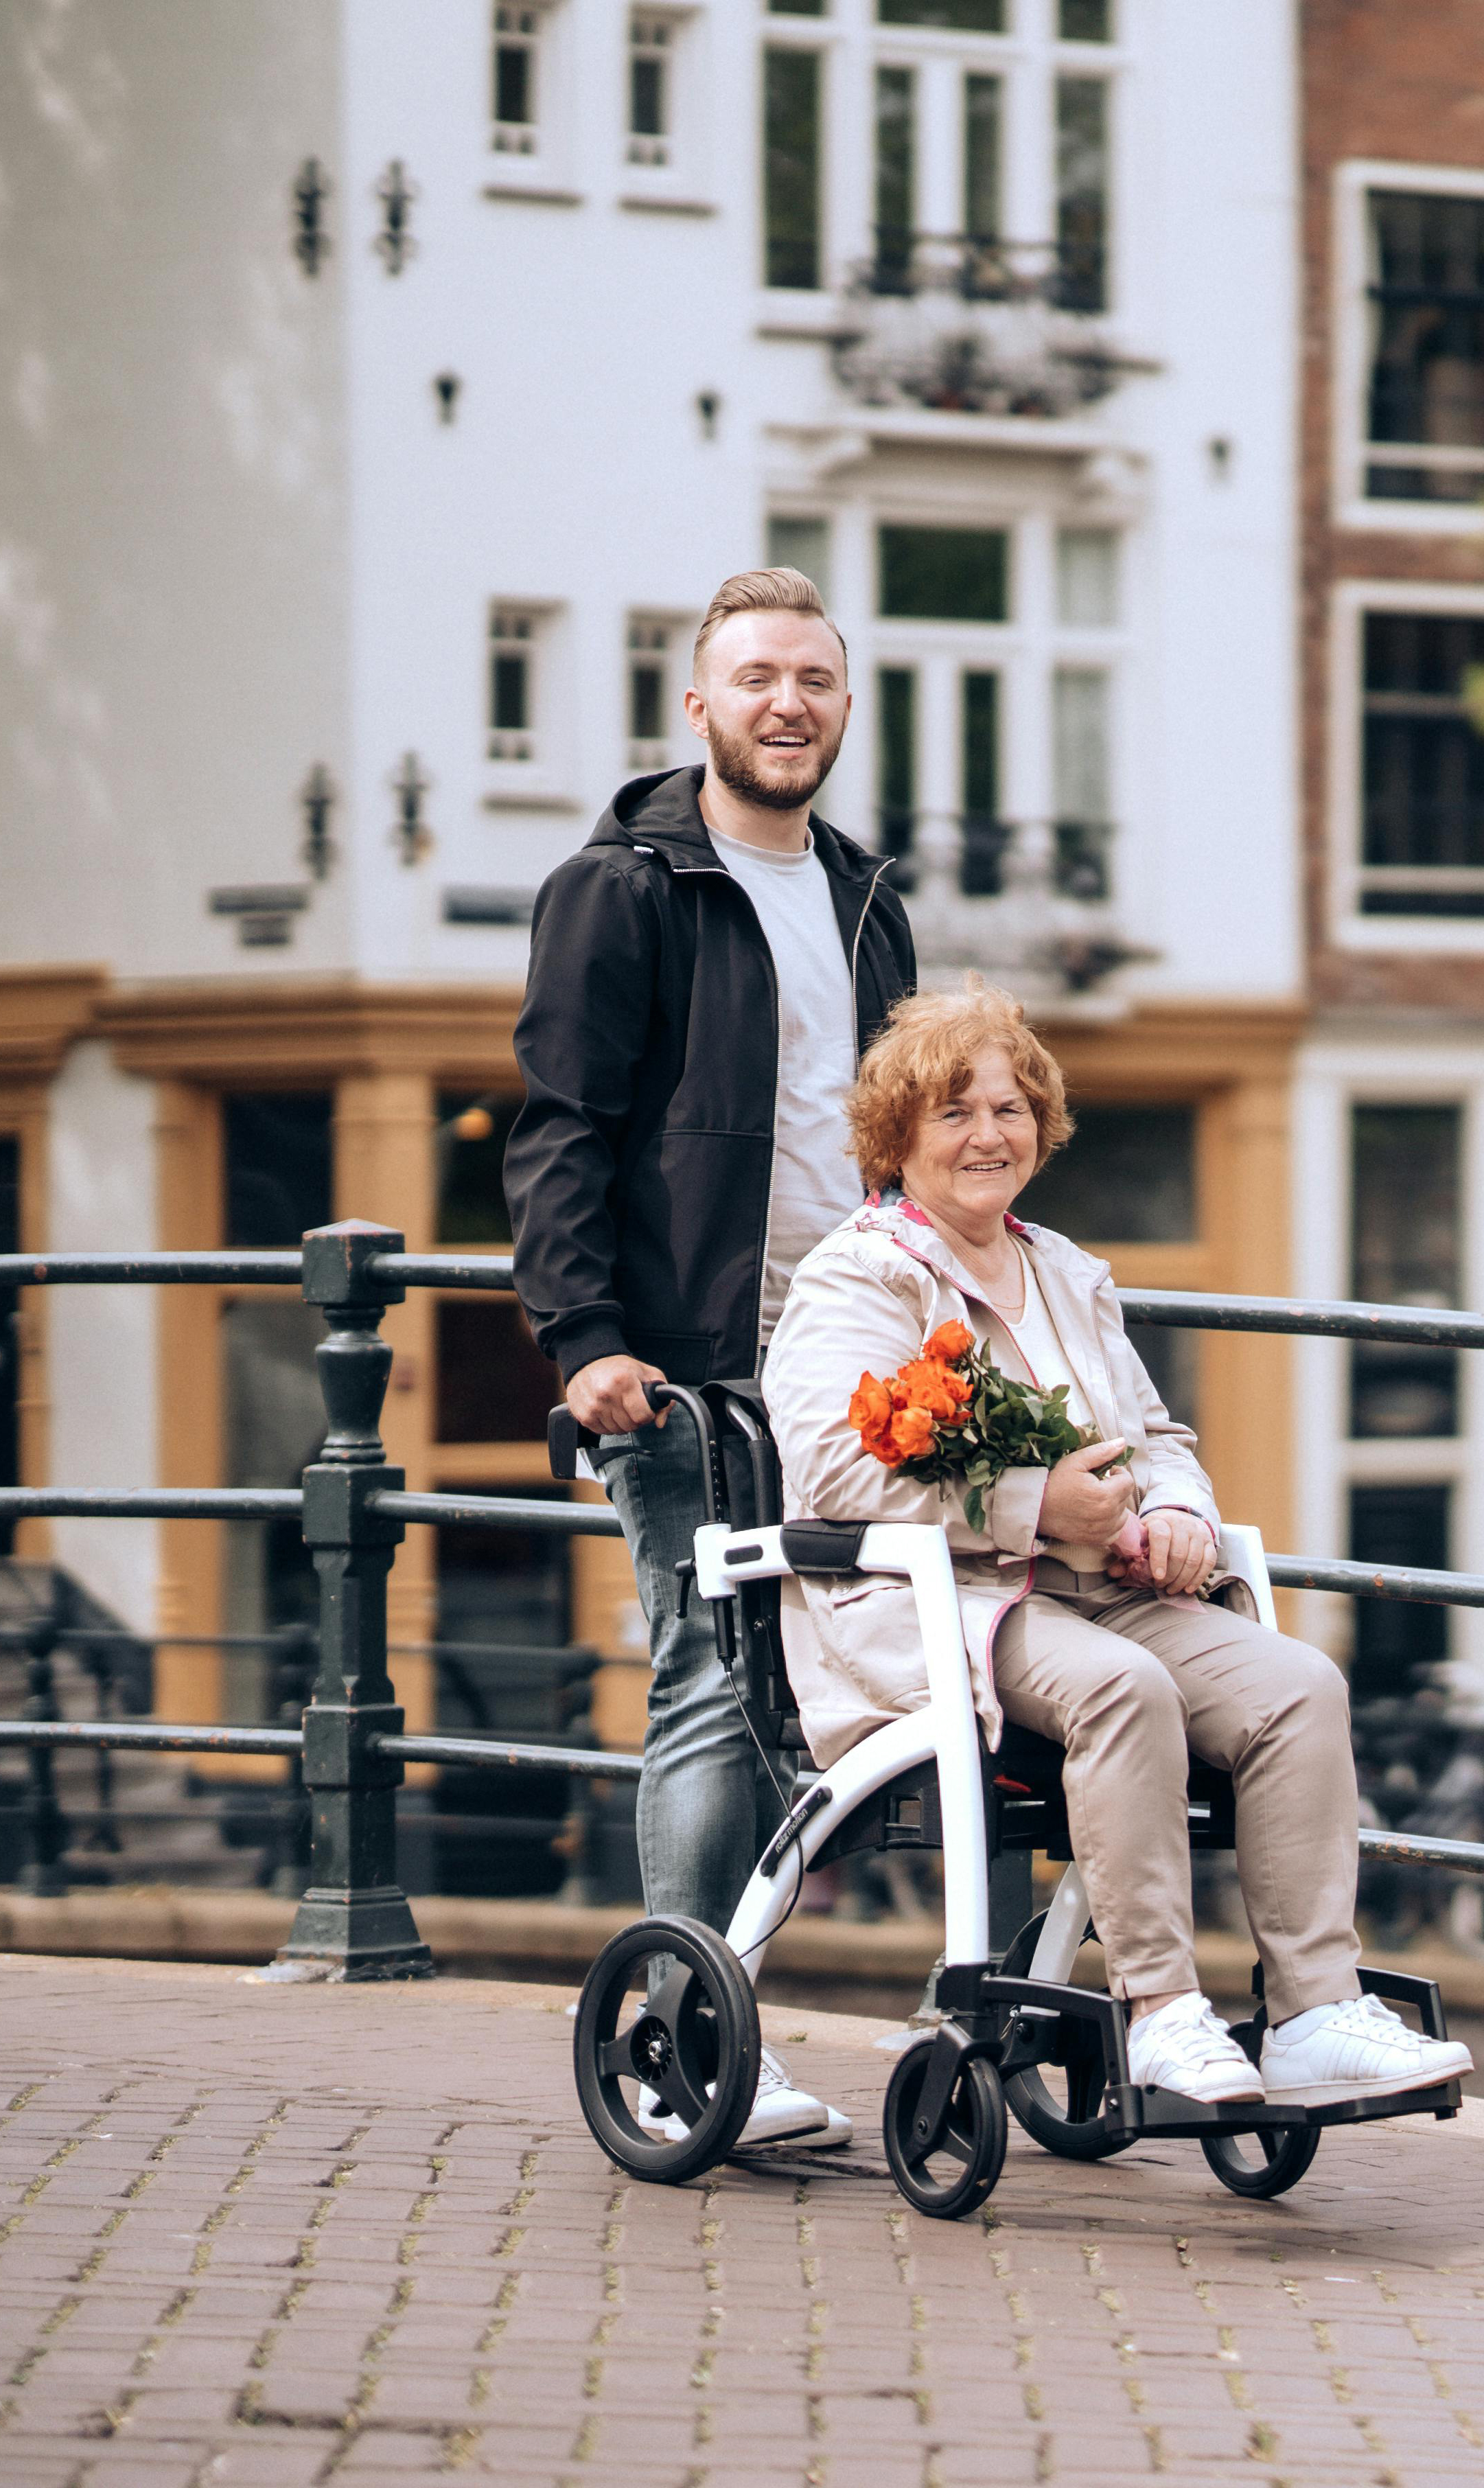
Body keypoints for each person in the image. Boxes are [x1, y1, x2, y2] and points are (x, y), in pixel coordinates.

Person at [761, 985, 1475, 2106]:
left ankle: (1313, 2012)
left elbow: (1159, 1439)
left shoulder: (1064, 1272)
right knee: (1124, 1689)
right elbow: (839, 1479)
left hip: (1102, 1589)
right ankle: (1161, 2012)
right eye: (953, 1113)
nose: (988, 1135)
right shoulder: (860, 1276)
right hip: (940, 1603)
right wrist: (1035, 1505)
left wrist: (1181, 1514)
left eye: (1009, 1107)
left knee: (1299, 1686)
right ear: (897, 1138)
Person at [505, 566, 914, 2149]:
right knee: (704, 1676)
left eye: (813, 678)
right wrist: (587, 1341)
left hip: (853, 1366)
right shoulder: (623, 887)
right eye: (755, 679)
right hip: (683, 1364)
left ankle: (724, 2030)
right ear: (700, 706)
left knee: (810, 1706)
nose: (786, 705)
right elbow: (561, 1134)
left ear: (842, 703)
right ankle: (687, 2052)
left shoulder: (867, 896)